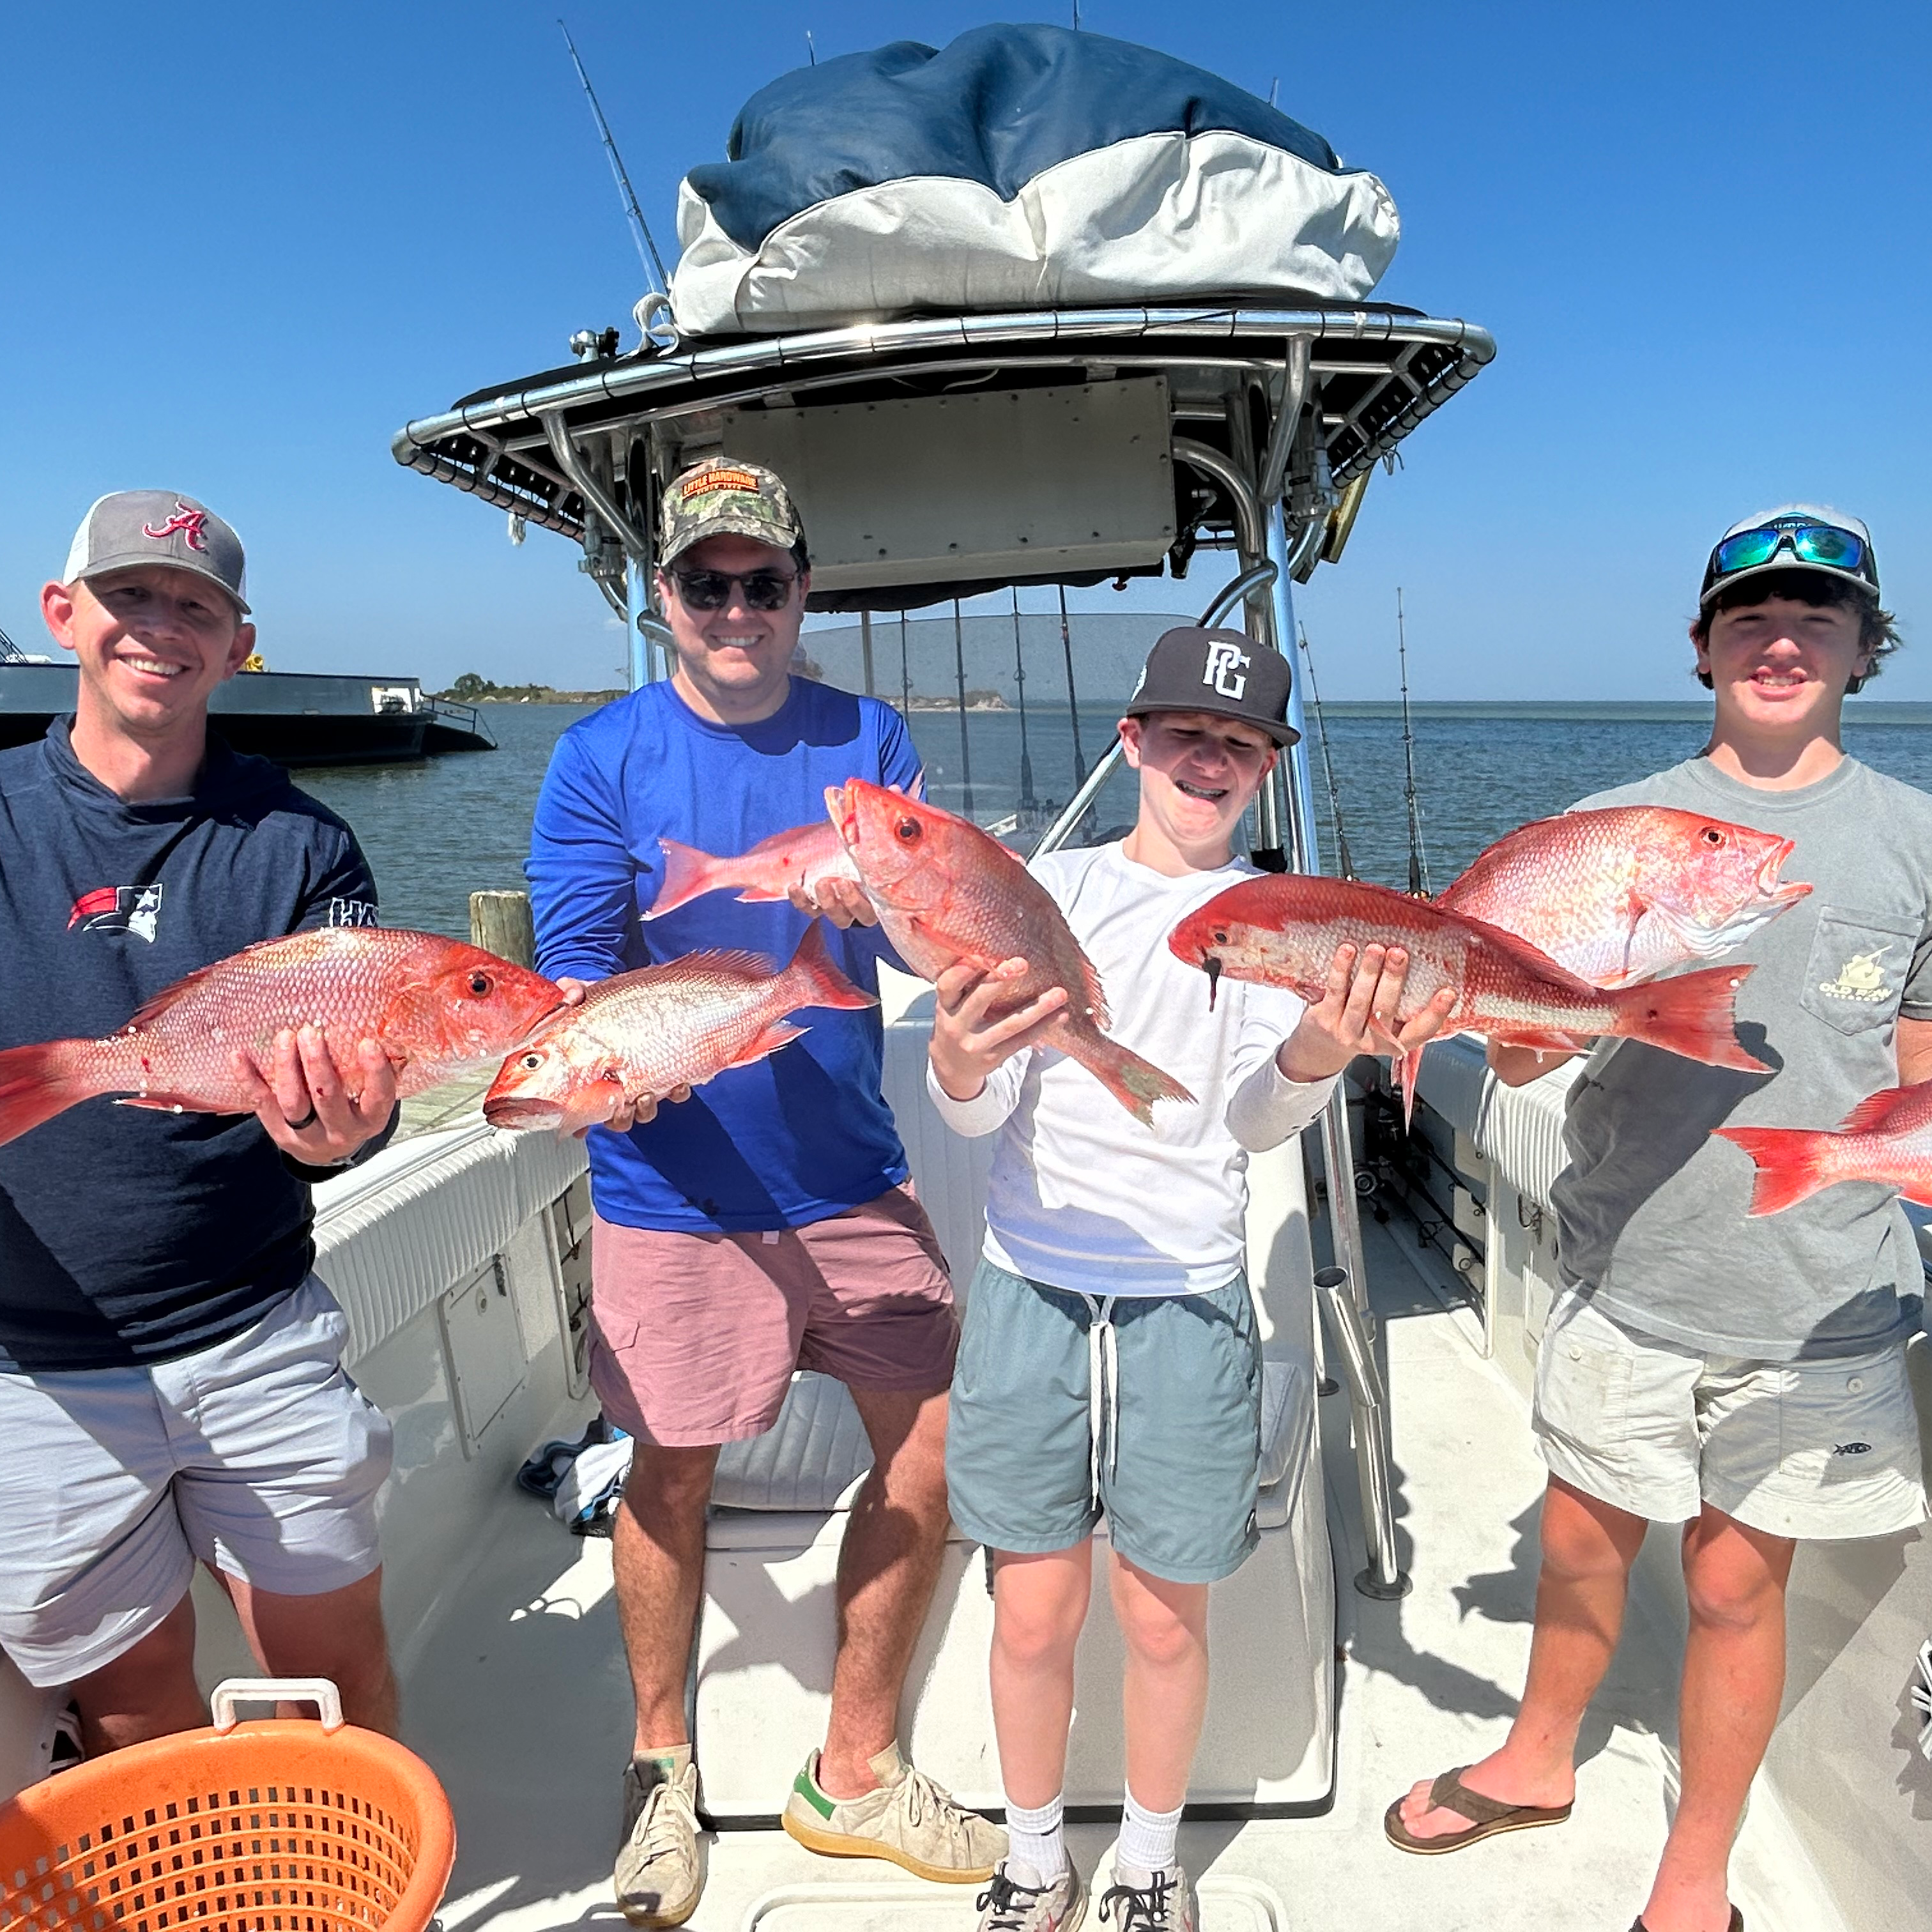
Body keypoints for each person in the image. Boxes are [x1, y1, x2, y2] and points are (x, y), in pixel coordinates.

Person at [1386, 507, 1932, 1932]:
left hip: (1823, 1300)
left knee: (1742, 1591)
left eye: (1818, 616)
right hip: (1631, 1265)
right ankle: (1537, 1757)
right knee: (1579, 1539)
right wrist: (1502, 1028)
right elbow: (1519, 1054)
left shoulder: (1915, 845)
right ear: (1700, 650)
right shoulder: (1601, 832)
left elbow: (1919, 1078)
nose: (1782, 639)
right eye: (1750, 617)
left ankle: (1696, 1875)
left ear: (1867, 651)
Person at [526, 458, 1004, 1927]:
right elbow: (572, 975)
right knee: (667, 1469)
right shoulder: (598, 759)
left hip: (847, 1170)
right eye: (706, 584)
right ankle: (661, 1770)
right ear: (661, 596)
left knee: (928, 1445)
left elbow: (930, 940)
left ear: (806, 592)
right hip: (668, 1185)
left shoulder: (871, 739)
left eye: (766, 582)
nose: (737, 608)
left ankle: (851, 1769)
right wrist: (630, 1062)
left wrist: (913, 926)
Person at [926, 627, 1459, 1932]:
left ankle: (1152, 1861)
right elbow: (980, 1117)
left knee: (1165, 1621)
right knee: (1032, 1615)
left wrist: (1326, 1047)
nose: (1208, 761)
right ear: (1132, 743)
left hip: (1190, 1303)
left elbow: (1255, 1126)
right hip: (1031, 1297)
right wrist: (953, 1057)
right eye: (1185, 735)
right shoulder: (1046, 894)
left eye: (1239, 744)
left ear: (1268, 767)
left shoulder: (1297, 921)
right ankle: (1036, 1856)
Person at [0, 491, 404, 1752]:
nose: (159, 627)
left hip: (256, 1336)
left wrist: (337, 1136)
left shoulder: (300, 845)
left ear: (239, 647)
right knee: (135, 1713)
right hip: (32, 1372)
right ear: (63, 616)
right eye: (130, 597)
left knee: (333, 1681)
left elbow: (355, 1094)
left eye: (196, 607)